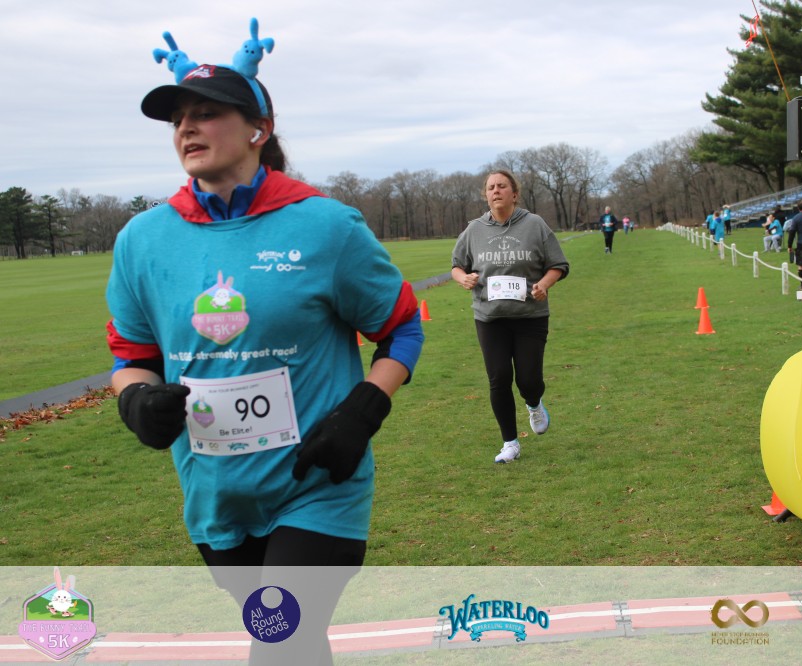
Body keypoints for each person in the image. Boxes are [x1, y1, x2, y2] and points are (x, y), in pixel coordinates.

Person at [104, 19, 423, 664]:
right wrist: (135, 400)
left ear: (258, 129)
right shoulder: (142, 240)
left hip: (317, 485)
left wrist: (363, 411)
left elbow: (401, 328)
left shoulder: (326, 225)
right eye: (178, 119)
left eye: (206, 113)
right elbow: (132, 358)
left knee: (282, 640)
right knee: (287, 641)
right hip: (215, 493)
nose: (187, 128)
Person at [451, 170, 570, 463]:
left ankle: (534, 403)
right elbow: (456, 266)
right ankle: (510, 443)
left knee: (529, 380)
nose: (496, 191)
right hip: (490, 318)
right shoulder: (474, 230)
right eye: (491, 187)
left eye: (502, 186)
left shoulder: (535, 225)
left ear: (514, 194)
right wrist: (463, 278)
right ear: (486, 195)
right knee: (499, 378)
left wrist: (544, 284)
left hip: (530, 315)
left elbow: (558, 264)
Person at [785, 199, 802, 288]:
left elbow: (792, 233)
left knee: (801, 265)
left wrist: (789, 246)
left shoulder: (796, 218)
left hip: (801, 243)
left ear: (798, 208)